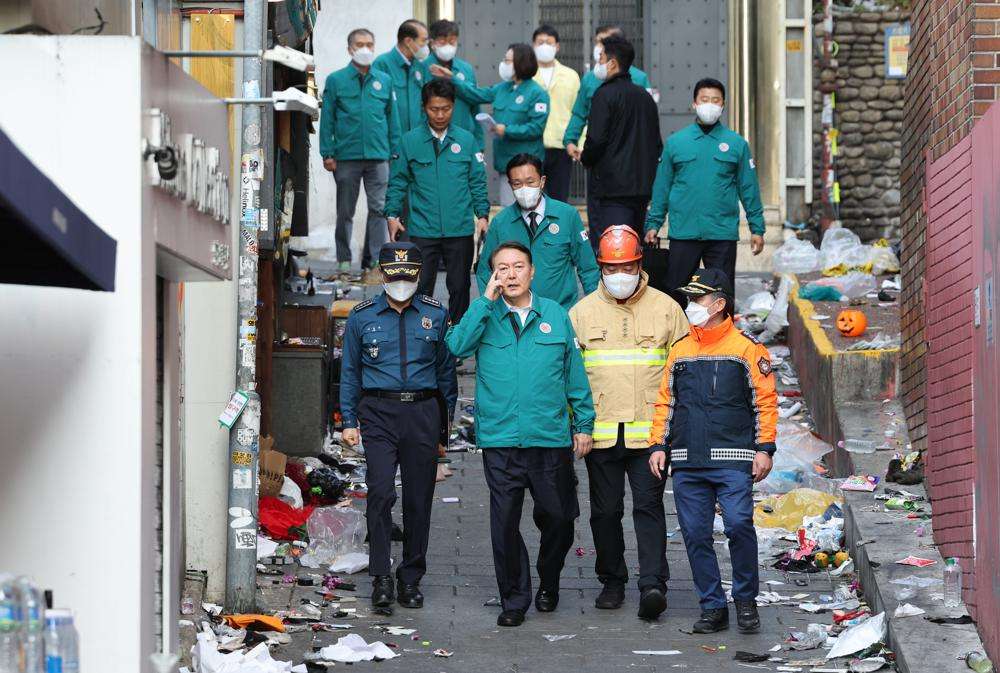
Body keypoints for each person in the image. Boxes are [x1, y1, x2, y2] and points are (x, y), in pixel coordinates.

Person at [445, 241, 594, 627]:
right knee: (505, 523)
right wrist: (483, 300)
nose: (510, 274)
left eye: (517, 267)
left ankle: (549, 580)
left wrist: (584, 424)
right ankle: (515, 599)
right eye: (502, 268)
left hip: (549, 439)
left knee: (559, 519)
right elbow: (456, 347)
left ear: (532, 271)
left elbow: (573, 373)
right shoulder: (485, 315)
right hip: (501, 441)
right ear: (493, 275)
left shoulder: (556, 315)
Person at [647, 269, 777, 634]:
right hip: (687, 462)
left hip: (734, 461)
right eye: (689, 299)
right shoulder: (681, 351)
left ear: (719, 304)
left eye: (697, 300)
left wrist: (764, 449)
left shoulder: (746, 350)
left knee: (738, 525)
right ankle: (712, 607)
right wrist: (658, 445)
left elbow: (764, 403)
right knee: (695, 534)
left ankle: (746, 601)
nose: (691, 306)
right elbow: (666, 403)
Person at [568, 225, 687, 620]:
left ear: (640, 263)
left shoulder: (667, 309)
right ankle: (612, 580)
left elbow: (684, 372)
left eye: (628, 266)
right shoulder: (581, 314)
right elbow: (568, 376)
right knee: (604, 512)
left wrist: (672, 435)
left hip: (650, 436)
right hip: (600, 434)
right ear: (601, 267)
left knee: (649, 509)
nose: (621, 275)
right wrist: (576, 426)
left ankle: (653, 584)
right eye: (612, 267)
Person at [339, 242, 457, 612]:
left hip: (422, 412)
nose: (400, 283)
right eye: (394, 276)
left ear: (418, 276)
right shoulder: (361, 316)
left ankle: (410, 578)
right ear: (382, 274)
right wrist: (348, 419)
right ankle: (380, 576)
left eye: (407, 277)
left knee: (419, 499)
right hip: (378, 411)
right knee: (379, 492)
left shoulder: (436, 314)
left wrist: (444, 429)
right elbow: (350, 372)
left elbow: (446, 374)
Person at [644, 79, 765, 307]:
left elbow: (748, 188)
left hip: (721, 234)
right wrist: (653, 223)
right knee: (676, 292)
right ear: (694, 103)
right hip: (684, 232)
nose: (710, 105)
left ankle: (721, 341)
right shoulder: (676, 143)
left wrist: (757, 228)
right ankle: (679, 341)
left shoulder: (736, 144)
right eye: (704, 99)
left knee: (721, 293)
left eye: (715, 100)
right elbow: (662, 187)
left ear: (723, 105)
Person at [385, 79, 490, 324]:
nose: (440, 114)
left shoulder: (466, 141)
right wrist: (391, 215)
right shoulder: (410, 141)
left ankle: (455, 342)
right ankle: (422, 337)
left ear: (453, 106)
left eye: (446, 109)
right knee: (420, 287)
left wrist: (483, 215)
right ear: (424, 107)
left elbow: (477, 181)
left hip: (459, 229)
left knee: (460, 288)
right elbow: (398, 181)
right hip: (423, 229)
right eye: (434, 109)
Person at [320, 28, 401, 279]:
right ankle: (344, 261)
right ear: (350, 49)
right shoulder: (336, 80)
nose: (365, 48)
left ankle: (375, 262)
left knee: (379, 209)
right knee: (346, 211)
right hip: (346, 156)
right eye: (360, 44)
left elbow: (392, 118)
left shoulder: (384, 80)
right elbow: (328, 119)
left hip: (379, 156)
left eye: (369, 44)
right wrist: (327, 152)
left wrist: (395, 151)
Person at [563, 25, 652, 242]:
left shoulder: (637, 81)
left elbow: (597, 137)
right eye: (598, 43)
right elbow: (579, 112)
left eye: (603, 46)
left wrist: (586, 157)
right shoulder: (590, 80)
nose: (598, 51)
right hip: (625, 173)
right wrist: (570, 139)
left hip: (614, 172)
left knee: (612, 235)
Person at [430, 43, 549, 207]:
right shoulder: (503, 88)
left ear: (520, 63)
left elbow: (535, 128)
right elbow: (477, 94)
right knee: (509, 209)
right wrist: (452, 78)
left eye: (507, 61)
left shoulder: (537, 93)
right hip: (505, 162)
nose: (504, 64)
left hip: (527, 164)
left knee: (530, 209)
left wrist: (507, 130)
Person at [476, 154, 598, 309]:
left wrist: (595, 308)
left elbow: (587, 268)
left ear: (542, 181)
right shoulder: (500, 223)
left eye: (530, 182)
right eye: (517, 184)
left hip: (560, 312)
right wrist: (492, 308)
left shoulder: (567, 216)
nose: (524, 189)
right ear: (510, 185)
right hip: (514, 315)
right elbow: (484, 271)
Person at [531, 24, 581, 202]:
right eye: (540, 42)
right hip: (533, 144)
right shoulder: (527, 74)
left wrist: (578, 142)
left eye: (549, 42)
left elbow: (579, 112)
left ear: (557, 46)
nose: (544, 46)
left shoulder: (570, 75)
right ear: (533, 45)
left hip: (561, 146)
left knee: (559, 199)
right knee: (532, 198)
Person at [427, 19, 484, 150]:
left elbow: (475, 106)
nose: (448, 45)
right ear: (432, 43)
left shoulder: (465, 69)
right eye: (442, 41)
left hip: (463, 138)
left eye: (452, 41)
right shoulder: (423, 67)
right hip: (431, 140)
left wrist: (480, 144)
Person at [373, 19, 431, 134]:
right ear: (408, 41)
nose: (426, 46)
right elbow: (377, 109)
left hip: (416, 138)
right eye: (423, 41)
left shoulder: (420, 65)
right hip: (392, 139)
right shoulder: (382, 64)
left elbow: (425, 102)